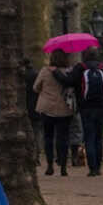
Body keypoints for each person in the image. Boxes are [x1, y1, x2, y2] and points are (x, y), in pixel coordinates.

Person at [34, 49, 77, 177]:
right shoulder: (69, 72)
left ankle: (49, 165)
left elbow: (35, 87)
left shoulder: (45, 71)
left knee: (48, 137)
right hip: (65, 108)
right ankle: (63, 166)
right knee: (63, 138)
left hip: (47, 108)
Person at [78, 50, 103, 175]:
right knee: (99, 137)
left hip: (86, 107)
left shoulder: (80, 68)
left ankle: (92, 168)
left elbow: (70, 82)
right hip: (102, 107)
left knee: (89, 137)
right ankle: (98, 167)